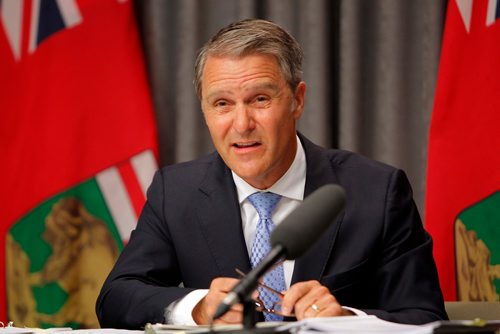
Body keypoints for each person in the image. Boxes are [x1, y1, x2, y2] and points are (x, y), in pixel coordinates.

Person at [96, 19, 447, 329]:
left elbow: (425, 317)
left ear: (297, 100)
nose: (242, 124)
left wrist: (348, 322)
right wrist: (198, 307)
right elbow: (116, 298)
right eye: (222, 104)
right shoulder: (176, 192)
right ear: (204, 111)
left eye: (260, 99)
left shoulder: (376, 191)